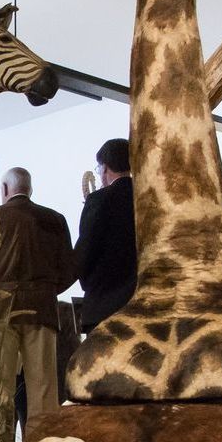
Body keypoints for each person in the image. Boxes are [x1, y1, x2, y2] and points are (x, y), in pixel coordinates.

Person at [0, 167, 73, 442]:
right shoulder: (54, 219)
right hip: (42, 309)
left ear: (4, 189)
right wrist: (47, 290)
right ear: (30, 189)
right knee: (43, 389)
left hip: (0, 308)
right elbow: (69, 270)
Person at [71, 137, 136, 331]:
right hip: (143, 301)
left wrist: (83, 278)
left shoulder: (99, 200)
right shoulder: (145, 197)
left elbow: (86, 248)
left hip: (106, 302)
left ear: (105, 168)